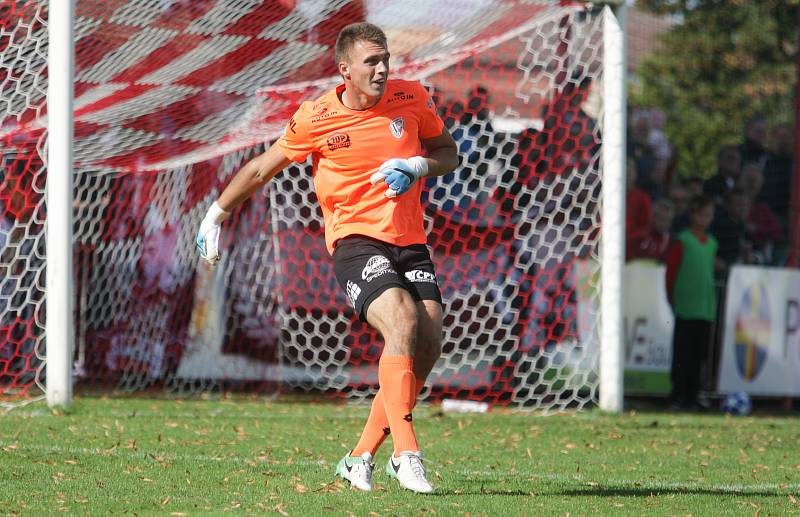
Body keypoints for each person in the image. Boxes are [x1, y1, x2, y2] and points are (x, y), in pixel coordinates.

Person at [195, 22, 458, 494]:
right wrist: (215, 215)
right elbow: (260, 169)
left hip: (409, 239)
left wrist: (418, 165)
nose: (381, 69)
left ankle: (359, 459)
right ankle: (407, 454)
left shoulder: (412, 98)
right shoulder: (316, 117)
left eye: (385, 59)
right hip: (355, 240)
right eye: (370, 62)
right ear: (345, 70)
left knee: (428, 341)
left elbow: (447, 152)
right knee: (401, 320)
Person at [665, 195, 717, 410]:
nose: (706, 219)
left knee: (699, 355)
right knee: (682, 353)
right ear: (693, 214)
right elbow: (671, 272)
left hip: (705, 308)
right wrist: (671, 297)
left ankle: (693, 396)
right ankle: (677, 395)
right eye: (702, 214)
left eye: (709, 215)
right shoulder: (683, 240)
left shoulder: (712, 243)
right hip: (686, 307)